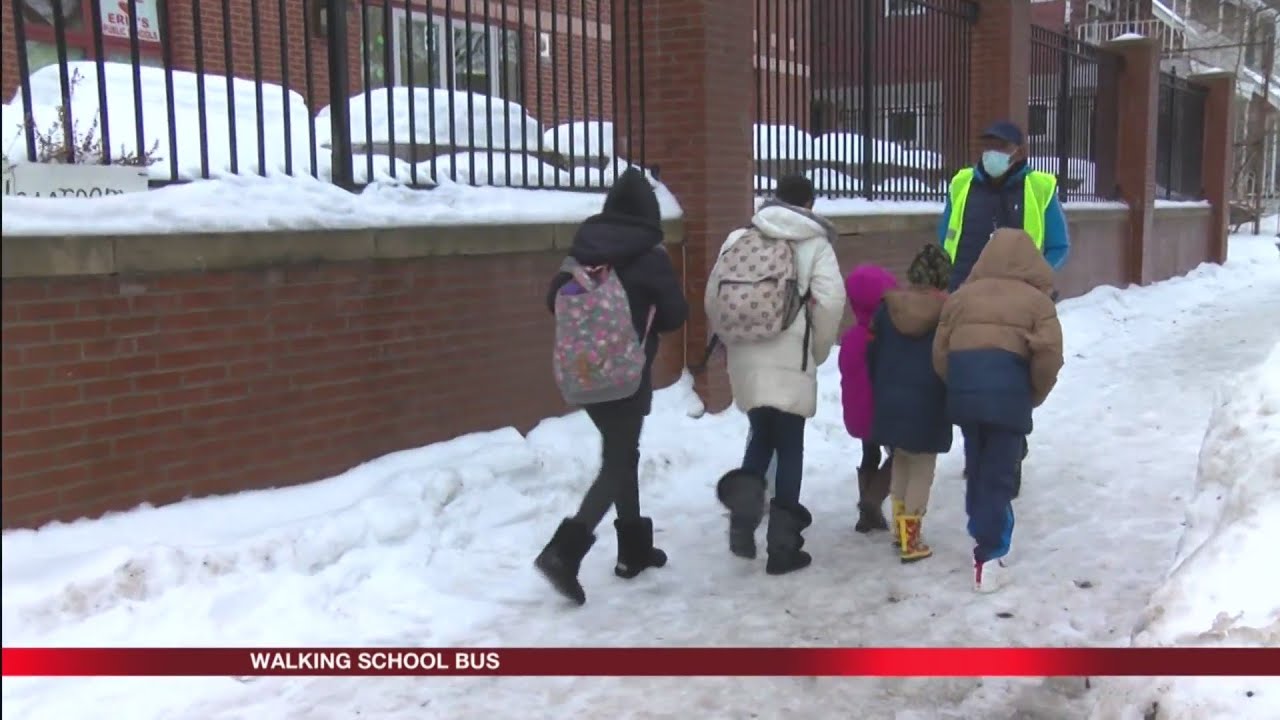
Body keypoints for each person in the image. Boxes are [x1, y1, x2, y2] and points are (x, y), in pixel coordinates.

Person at [535, 167, 689, 606]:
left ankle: (633, 551)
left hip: (582, 374)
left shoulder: (583, 250)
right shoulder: (649, 255)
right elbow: (676, 315)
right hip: (625, 376)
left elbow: (554, 300)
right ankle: (564, 551)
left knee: (623, 453)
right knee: (618, 462)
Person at [713, 175, 846, 575]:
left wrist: (733, 339)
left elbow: (712, 296)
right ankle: (783, 547)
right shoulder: (814, 244)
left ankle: (742, 522)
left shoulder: (739, 238)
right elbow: (832, 302)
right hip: (791, 355)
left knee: (760, 436)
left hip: (745, 355)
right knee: (789, 445)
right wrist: (817, 350)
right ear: (809, 203)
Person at [937, 119, 1071, 491]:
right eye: (988, 143)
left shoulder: (1039, 188)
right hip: (966, 296)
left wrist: (1036, 280)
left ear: (1018, 152)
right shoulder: (962, 184)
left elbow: (1059, 247)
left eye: (1002, 145)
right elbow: (945, 234)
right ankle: (976, 453)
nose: (993, 152)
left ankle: (1010, 454)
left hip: (1019, 306)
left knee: (1011, 377)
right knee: (968, 374)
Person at [932, 229, 1064, 593]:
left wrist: (958, 383)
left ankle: (982, 529)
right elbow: (1049, 356)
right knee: (1000, 474)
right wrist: (1032, 393)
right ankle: (990, 552)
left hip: (966, 390)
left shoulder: (960, 298)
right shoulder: (1038, 303)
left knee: (977, 464)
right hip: (1010, 391)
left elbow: (940, 352)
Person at [866, 244, 954, 563]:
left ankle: (898, 532)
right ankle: (911, 539)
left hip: (890, 397)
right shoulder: (947, 313)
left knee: (901, 461)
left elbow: (872, 353)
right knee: (922, 469)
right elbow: (948, 359)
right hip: (928, 400)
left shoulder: (888, 307)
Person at [837, 263, 899, 534]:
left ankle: (867, 516)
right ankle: (872, 500)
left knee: (869, 452)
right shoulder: (888, 337)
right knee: (902, 455)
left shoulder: (851, 337)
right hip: (883, 411)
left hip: (858, 412)